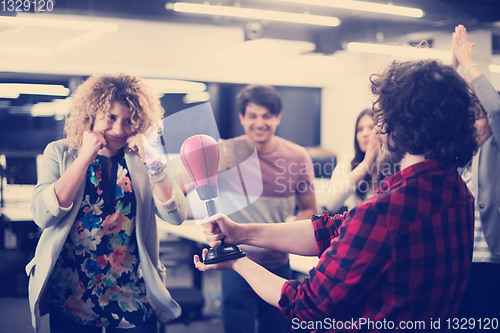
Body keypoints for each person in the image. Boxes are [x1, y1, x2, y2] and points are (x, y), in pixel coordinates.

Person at [195, 59, 478, 330]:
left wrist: (237, 261)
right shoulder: (458, 192)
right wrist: (239, 233)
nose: (377, 130)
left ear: (400, 126)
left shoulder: (386, 212)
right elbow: (333, 229)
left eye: (381, 120)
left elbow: (306, 302)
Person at [26, 74, 188, 332]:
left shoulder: (143, 160)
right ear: (90, 114)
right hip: (72, 289)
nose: (118, 130)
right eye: (110, 117)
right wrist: (84, 157)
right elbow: (43, 215)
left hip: (132, 290)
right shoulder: (59, 152)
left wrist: (151, 159)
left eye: (128, 121)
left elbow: (176, 215)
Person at [216, 84, 317, 333]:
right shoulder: (225, 153)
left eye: (267, 116)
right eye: (252, 115)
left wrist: (279, 234)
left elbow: (309, 209)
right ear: (242, 118)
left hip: (277, 264)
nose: (260, 123)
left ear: (278, 117)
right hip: (235, 263)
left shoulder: (297, 156)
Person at [452, 25, 500, 324]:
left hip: (491, 262)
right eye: (470, 116)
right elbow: (435, 113)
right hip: (457, 262)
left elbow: (496, 109)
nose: (474, 122)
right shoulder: (458, 152)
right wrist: (452, 71)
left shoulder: (495, 148)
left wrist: (468, 65)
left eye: (479, 115)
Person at [318, 108, 380, 214]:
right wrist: (366, 163)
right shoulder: (347, 163)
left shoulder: (393, 164)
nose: (365, 133)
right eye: (360, 129)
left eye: (371, 128)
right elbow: (330, 205)